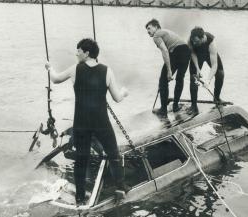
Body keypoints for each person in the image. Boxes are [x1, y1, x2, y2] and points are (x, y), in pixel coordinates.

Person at [45, 38, 129, 205]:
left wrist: (49, 68)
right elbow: (117, 98)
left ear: (87, 53)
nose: (76, 53)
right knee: (113, 154)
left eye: (79, 51)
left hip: (81, 123)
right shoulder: (107, 71)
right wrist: (125, 91)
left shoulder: (75, 69)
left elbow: (55, 79)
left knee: (81, 160)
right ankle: (120, 188)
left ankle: (80, 197)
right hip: (101, 122)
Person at [145, 19, 191, 117]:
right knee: (179, 79)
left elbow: (165, 51)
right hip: (186, 51)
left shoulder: (157, 35)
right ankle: (175, 106)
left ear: (156, 27)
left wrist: (169, 71)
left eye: (149, 28)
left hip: (177, 51)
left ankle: (163, 110)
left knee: (163, 80)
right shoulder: (166, 31)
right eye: (147, 29)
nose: (148, 31)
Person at [188, 26, 225, 115]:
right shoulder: (190, 40)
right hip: (197, 55)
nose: (194, 43)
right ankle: (194, 106)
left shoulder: (211, 42)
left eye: (196, 41)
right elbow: (192, 53)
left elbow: (214, 65)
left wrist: (208, 80)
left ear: (203, 38)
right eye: (193, 41)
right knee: (193, 77)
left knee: (220, 73)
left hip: (209, 54)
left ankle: (216, 98)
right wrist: (197, 69)